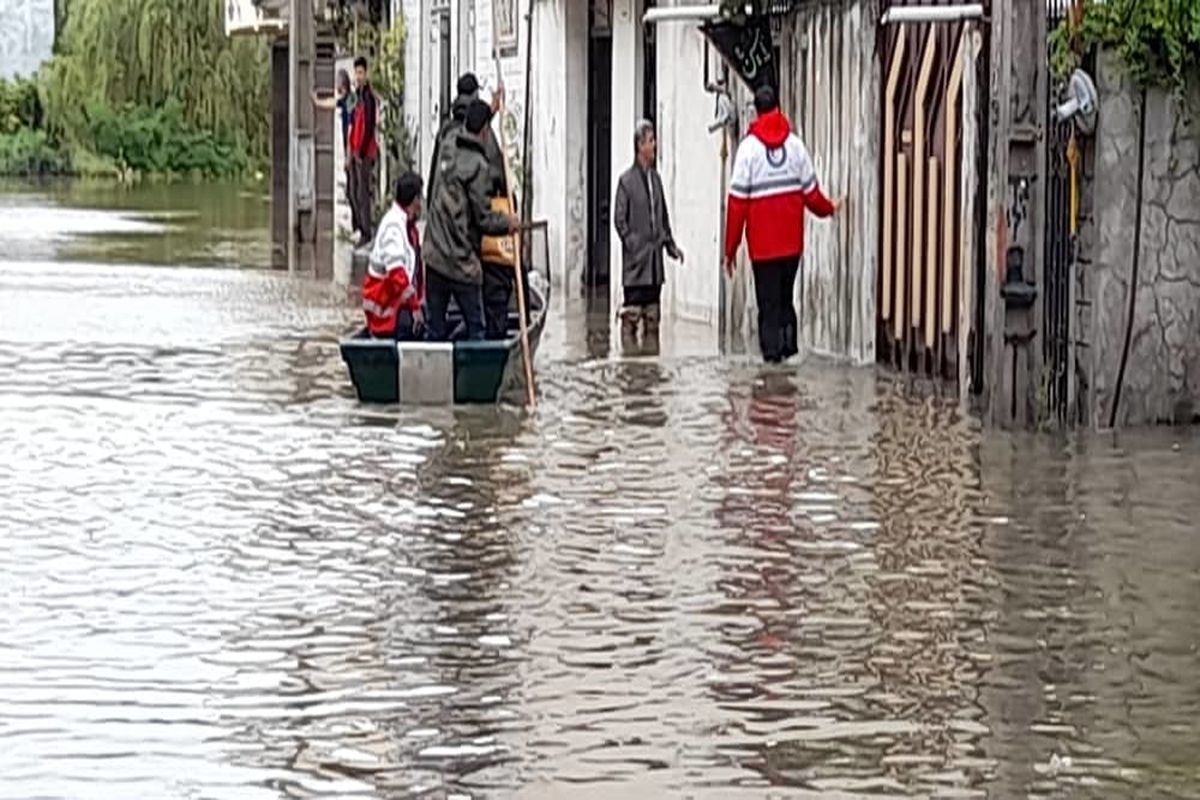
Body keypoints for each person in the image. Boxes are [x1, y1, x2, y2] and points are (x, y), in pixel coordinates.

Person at [724, 85, 842, 364]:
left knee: (768, 306)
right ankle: (790, 357)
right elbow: (812, 195)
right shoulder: (796, 146)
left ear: (756, 112)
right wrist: (830, 209)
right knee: (786, 299)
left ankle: (771, 370)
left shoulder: (748, 151)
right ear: (778, 108)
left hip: (763, 250)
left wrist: (730, 251)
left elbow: (737, 205)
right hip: (791, 247)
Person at [423, 99, 521, 342]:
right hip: (461, 264)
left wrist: (491, 110)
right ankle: (475, 375)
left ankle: (433, 374)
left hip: (433, 255)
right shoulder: (479, 167)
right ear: (485, 132)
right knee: (477, 330)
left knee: (435, 331)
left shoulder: (447, 144)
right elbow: (484, 220)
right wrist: (508, 222)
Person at [613, 119, 683, 345]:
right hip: (635, 268)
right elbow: (619, 220)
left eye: (654, 140)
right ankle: (630, 367)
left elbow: (663, 218)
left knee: (653, 321)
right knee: (631, 321)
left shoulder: (656, 180)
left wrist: (670, 246)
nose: (654, 146)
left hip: (654, 267)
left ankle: (650, 368)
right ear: (640, 145)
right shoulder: (626, 182)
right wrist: (633, 245)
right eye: (651, 141)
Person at [363, 172, 425, 340]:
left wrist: (420, 301)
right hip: (386, 312)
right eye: (420, 198)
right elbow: (397, 274)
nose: (422, 204)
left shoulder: (407, 226)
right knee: (415, 327)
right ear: (414, 201)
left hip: (395, 306)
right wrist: (415, 307)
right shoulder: (393, 226)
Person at [347, 56, 379, 245]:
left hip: (365, 152)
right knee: (353, 191)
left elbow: (369, 126)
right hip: (355, 150)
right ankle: (360, 227)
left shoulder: (368, 98)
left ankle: (366, 232)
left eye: (360, 73)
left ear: (366, 73)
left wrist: (361, 151)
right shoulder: (356, 96)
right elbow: (353, 123)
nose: (358, 76)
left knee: (362, 193)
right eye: (356, 72)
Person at [311, 69, 353, 157]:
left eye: (336, 82)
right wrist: (317, 102)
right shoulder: (346, 99)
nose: (335, 85)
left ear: (342, 84)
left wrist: (349, 154)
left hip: (353, 149)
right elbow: (332, 102)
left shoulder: (350, 101)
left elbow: (351, 128)